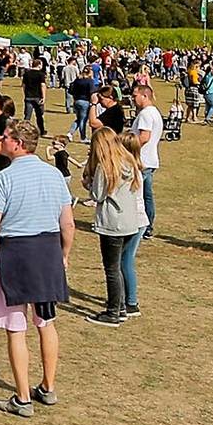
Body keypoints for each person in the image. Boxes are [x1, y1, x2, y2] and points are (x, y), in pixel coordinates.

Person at [0, 122, 73, 418]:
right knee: (46, 321)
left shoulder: (3, 180)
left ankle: (22, 397)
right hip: (46, 251)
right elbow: (67, 224)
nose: (0, 140)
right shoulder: (54, 174)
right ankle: (48, 385)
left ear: (17, 143)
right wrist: (63, 255)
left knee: (15, 328)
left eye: (4, 137)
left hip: (15, 253)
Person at [84, 129, 147, 327]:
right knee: (118, 266)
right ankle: (120, 306)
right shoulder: (129, 163)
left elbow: (97, 195)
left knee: (111, 269)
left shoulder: (106, 167)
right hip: (129, 223)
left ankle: (113, 312)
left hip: (112, 224)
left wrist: (88, 183)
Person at [131, 83, 163, 237]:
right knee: (146, 195)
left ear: (145, 96)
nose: (133, 99)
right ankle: (147, 226)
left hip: (141, 160)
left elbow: (144, 137)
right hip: (149, 159)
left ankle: (144, 226)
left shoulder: (145, 114)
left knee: (140, 196)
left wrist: (125, 144)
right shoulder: (154, 112)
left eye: (135, 96)